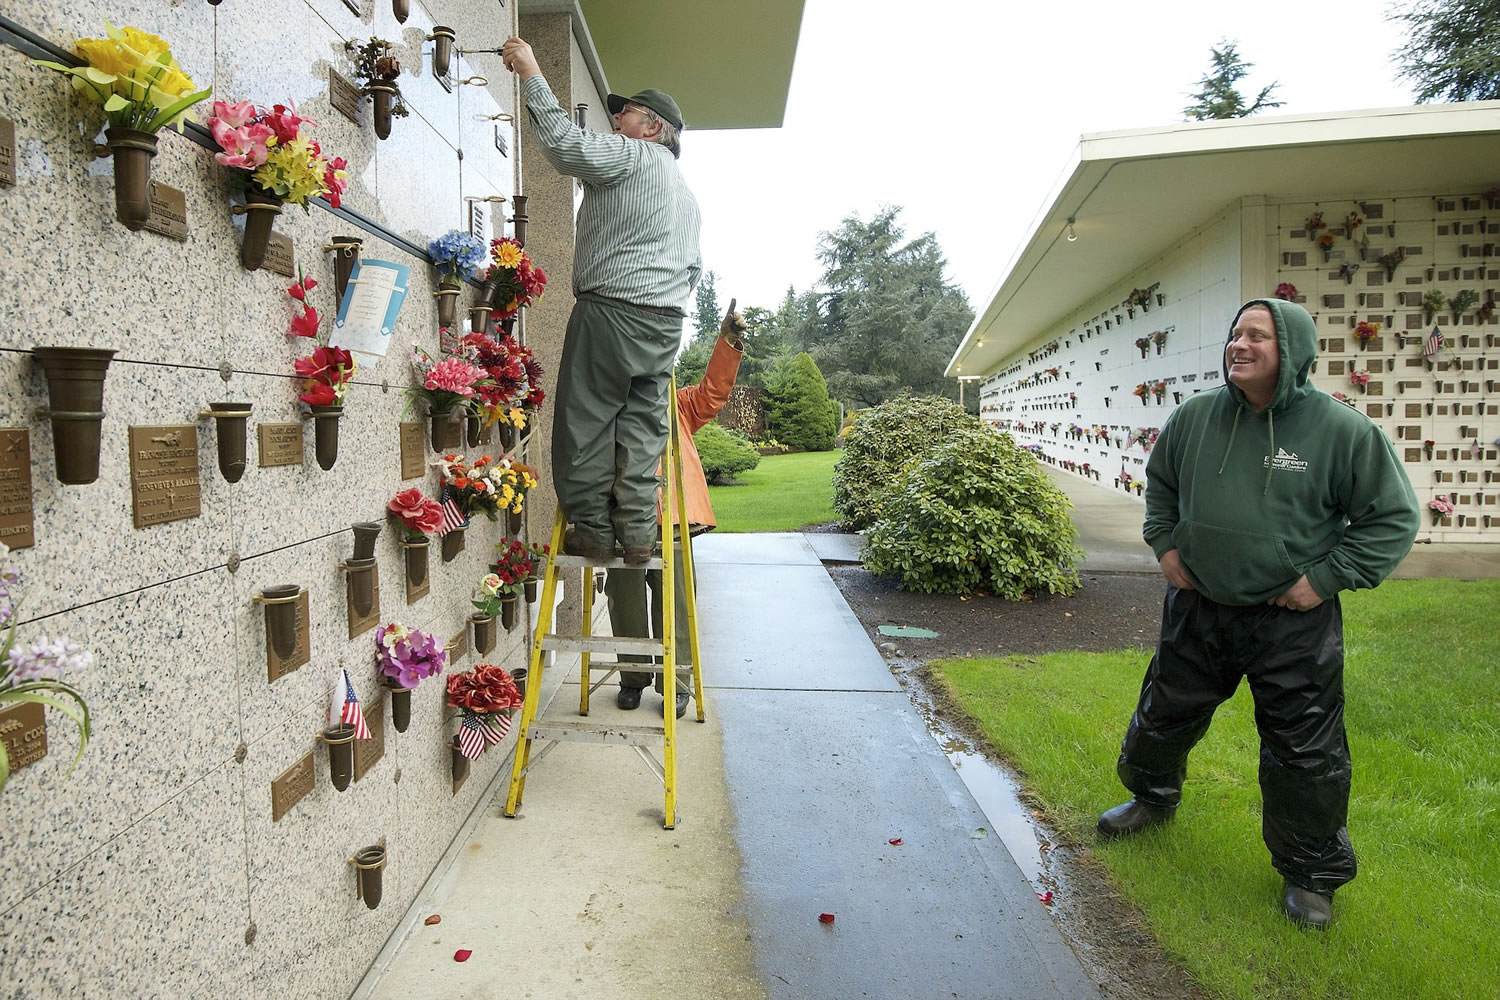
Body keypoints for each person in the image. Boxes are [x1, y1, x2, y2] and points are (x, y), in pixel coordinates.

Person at [1097, 298, 1418, 931]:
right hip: (1199, 606)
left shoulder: (1341, 431)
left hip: (1291, 622)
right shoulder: (1194, 417)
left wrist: (1322, 579)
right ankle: (1151, 797)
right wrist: (1165, 545)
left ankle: (1310, 873)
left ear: (1291, 351)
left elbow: (1392, 517)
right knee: (1165, 711)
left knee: (1305, 747)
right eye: (1235, 334)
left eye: (1257, 336)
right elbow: (1159, 481)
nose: (1239, 345)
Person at [501, 37, 702, 566]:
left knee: (586, 419)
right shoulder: (685, 195)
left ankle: (590, 529)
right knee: (641, 425)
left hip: (612, 311)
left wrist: (531, 72)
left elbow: (565, 145)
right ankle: (637, 534)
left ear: (653, 128)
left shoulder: (635, 155)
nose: (617, 124)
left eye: (627, 115)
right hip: (665, 323)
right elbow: (695, 270)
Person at [609, 303, 746, 718]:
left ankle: (678, 680)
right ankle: (633, 677)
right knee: (625, 600)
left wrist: (728, 343)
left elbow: (713, 394)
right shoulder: (613, 402)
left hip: (673, 518)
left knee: (677, 602)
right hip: (625, 518)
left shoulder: (679, 403)